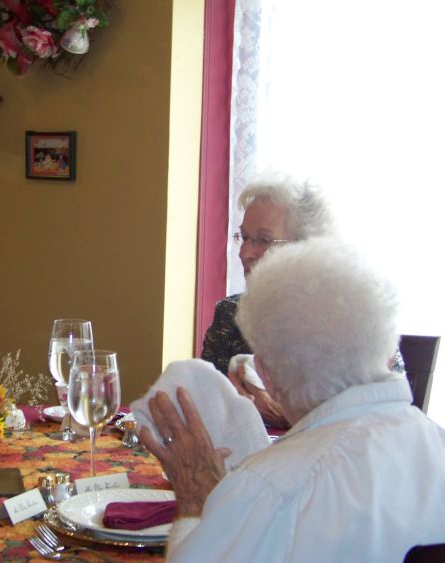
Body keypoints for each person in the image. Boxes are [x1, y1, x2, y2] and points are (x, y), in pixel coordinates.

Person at [141, 238, 445, 561]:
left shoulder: (272, 487)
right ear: (385, 351)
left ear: (265, 376)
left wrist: (195, 503)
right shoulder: (436, 443)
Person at [200, 174, 334, 426]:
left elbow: (382, 417)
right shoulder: (231, 314)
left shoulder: (347, 318)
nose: (245, 253)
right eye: (244, 237)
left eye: (263, 240)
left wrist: (293, 415)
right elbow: (202, 403)